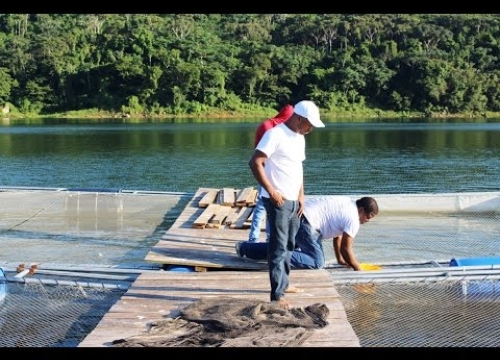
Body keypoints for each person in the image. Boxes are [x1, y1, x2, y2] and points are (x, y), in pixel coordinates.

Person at [247, 100, 324, 310]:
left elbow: (297, 168)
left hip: (294, 199)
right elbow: (255, 162)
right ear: (299, 118)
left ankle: (285, 284)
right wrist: (271, 191)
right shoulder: (275, 134)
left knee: (290, 244)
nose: (311, 129)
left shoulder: (299, 138)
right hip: (277, 200)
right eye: (309, 124)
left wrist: (301, 194)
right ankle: (276, 296)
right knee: (279, 246)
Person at [236, 196, 379, 271]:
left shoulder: (347, 204)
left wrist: (341, 260)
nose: (367, 220)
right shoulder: (353, 218)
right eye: (368, 217)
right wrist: (357, 268)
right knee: (317, 262)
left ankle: (244, 249)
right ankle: (276, 254)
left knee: (284, 247)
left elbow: (338, 236)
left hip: (298, 215)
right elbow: (346, 248)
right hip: (307, 223)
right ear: (361, 210)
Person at [248, 104, 294, 243]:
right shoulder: (269, 128)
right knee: (262, 205)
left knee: (272, 207)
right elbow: (261, 156)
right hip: (266, 171)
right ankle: (253, 239)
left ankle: (269, 238)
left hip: (276, 171)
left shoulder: (278, 127)